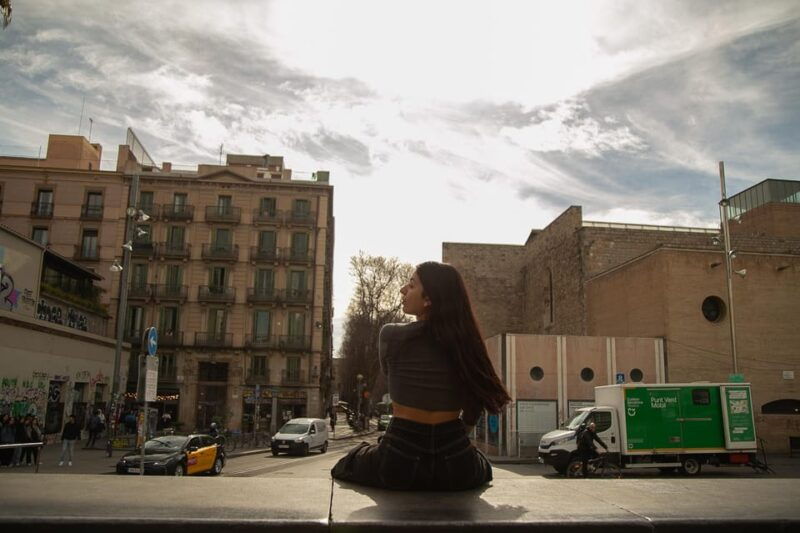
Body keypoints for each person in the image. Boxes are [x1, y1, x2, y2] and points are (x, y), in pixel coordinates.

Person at [331, 261, 511, 490]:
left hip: (399, 455)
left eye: (411, 285)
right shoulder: (466, 345)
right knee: (482, 466)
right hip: (456, 460)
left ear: (429, 300)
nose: (403, 290)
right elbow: (473, 409)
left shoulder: (391, 335)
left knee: (347, 463)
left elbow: (394, 380)